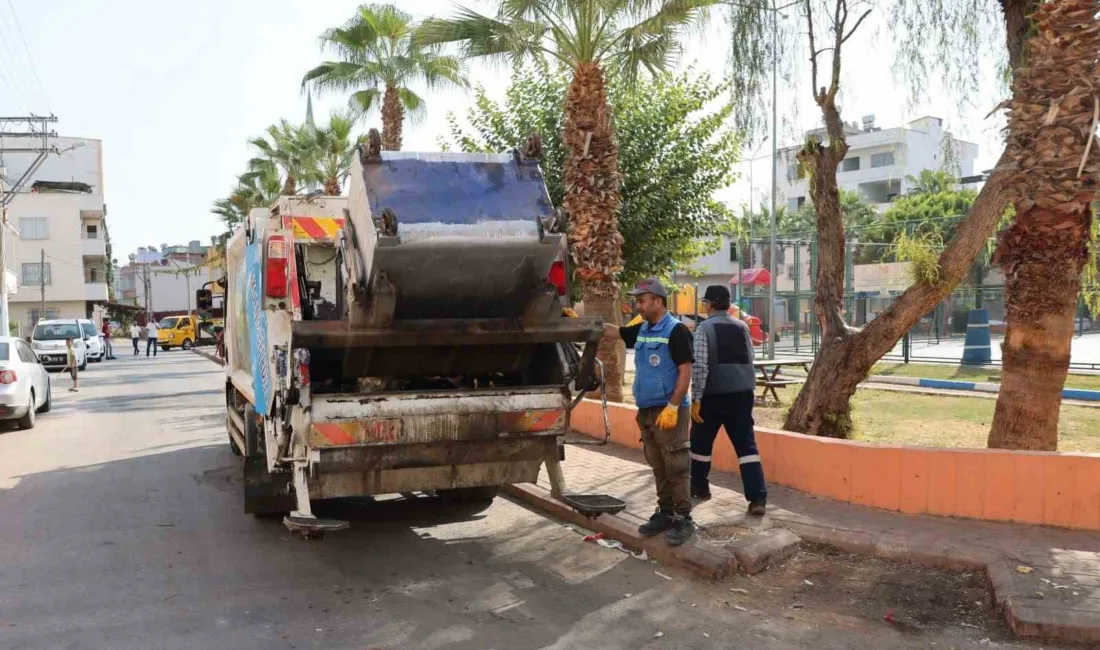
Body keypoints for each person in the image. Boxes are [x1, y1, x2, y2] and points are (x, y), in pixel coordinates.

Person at [602, 278, 696, 546]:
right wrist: (585, 324)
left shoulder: (676, 330)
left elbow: (685, 371)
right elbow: (615, 332)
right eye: (637, 300)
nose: (638, 305)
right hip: (646, 409)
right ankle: (665, 513)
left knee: (676, 466)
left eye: (642, 300)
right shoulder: (643, 329)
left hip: (669, 410)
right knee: (658, 465)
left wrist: (674, 406)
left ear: (657, 300)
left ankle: (684, 518)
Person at [689, 285, 768, 515]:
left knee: (701, 444)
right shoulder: (743, 327)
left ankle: (700, 489)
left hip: (712, 396)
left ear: (709, 305)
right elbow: (750, 359)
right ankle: (757, 498)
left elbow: (700, 367)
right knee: (747, 447)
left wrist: (696, 398)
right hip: (742, 395)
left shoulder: (704, 329)